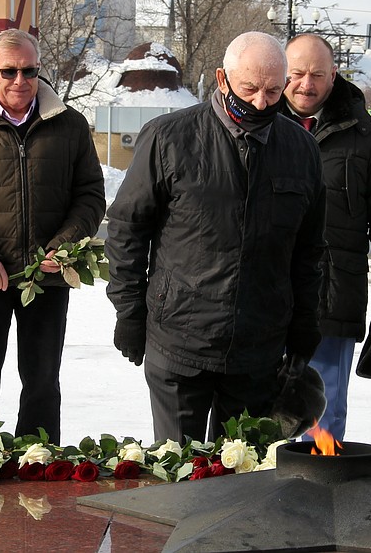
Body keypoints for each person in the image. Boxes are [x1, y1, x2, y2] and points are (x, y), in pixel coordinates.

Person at [106, 31, 326, 442]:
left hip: (259, 350)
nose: (261, 102)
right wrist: (129, 311)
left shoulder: (301, 150)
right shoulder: (169, 138)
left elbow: (309, 250)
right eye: (250, 89)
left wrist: (305, 324)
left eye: (274, 91)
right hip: (179, 342)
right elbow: (127, 230)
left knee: (243, 487)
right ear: (223, 80)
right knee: (179, 483)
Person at [0, 29, 105, 443]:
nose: (19, 80)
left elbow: (90, 194)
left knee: (41, 380)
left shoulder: (69, 124)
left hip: (47, 277)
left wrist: (64, 245)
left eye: (29, 70)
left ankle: (38, 462)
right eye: (8, 71)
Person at [279, 34, 371, 440]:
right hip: (265, 296)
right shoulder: (259, 122)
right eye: (297, 73)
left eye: (317, 74)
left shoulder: (364, 134)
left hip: (334, 298)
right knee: (261, 415)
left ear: (334, 76)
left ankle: (318, 497)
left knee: (323, 421)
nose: (305, 84)